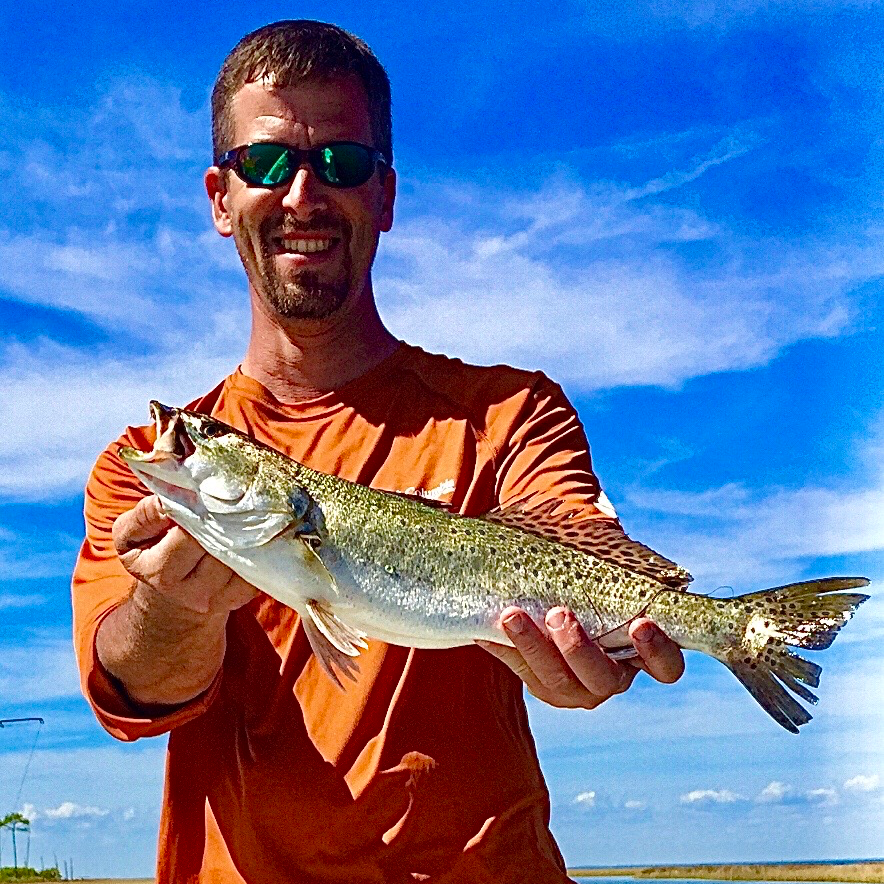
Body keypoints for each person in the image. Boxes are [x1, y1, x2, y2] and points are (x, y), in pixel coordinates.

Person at [72, 20, 685, 884]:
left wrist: (589, 655)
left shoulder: (510, 413)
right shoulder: (142, 465)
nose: (303, 195)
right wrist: (178, 608)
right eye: (268, 163)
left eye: (343, 164)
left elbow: (573, 544)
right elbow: (131, 691)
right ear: (219, 196)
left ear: (386, 197)